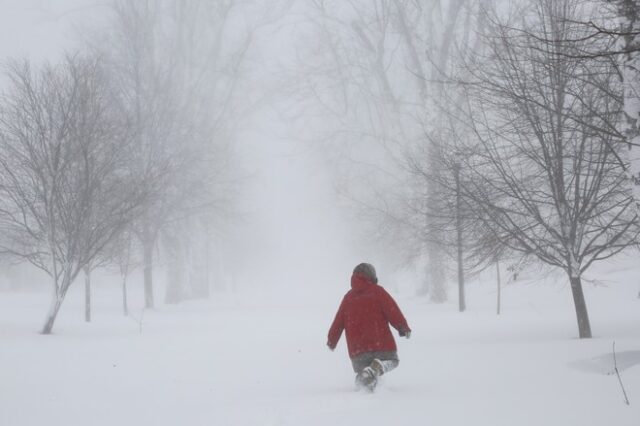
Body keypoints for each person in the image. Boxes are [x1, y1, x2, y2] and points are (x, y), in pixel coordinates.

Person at [327, 263, 411, 391]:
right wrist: (403, 327)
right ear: (372, 276)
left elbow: (338, 321)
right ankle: (380, 367)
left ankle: (364, 385)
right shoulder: (378, 292)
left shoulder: (348, 297)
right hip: (381, 344)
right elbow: (392, 311)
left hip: (358, 350)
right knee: (392, 361)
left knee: (365, 372)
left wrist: (332, 340)